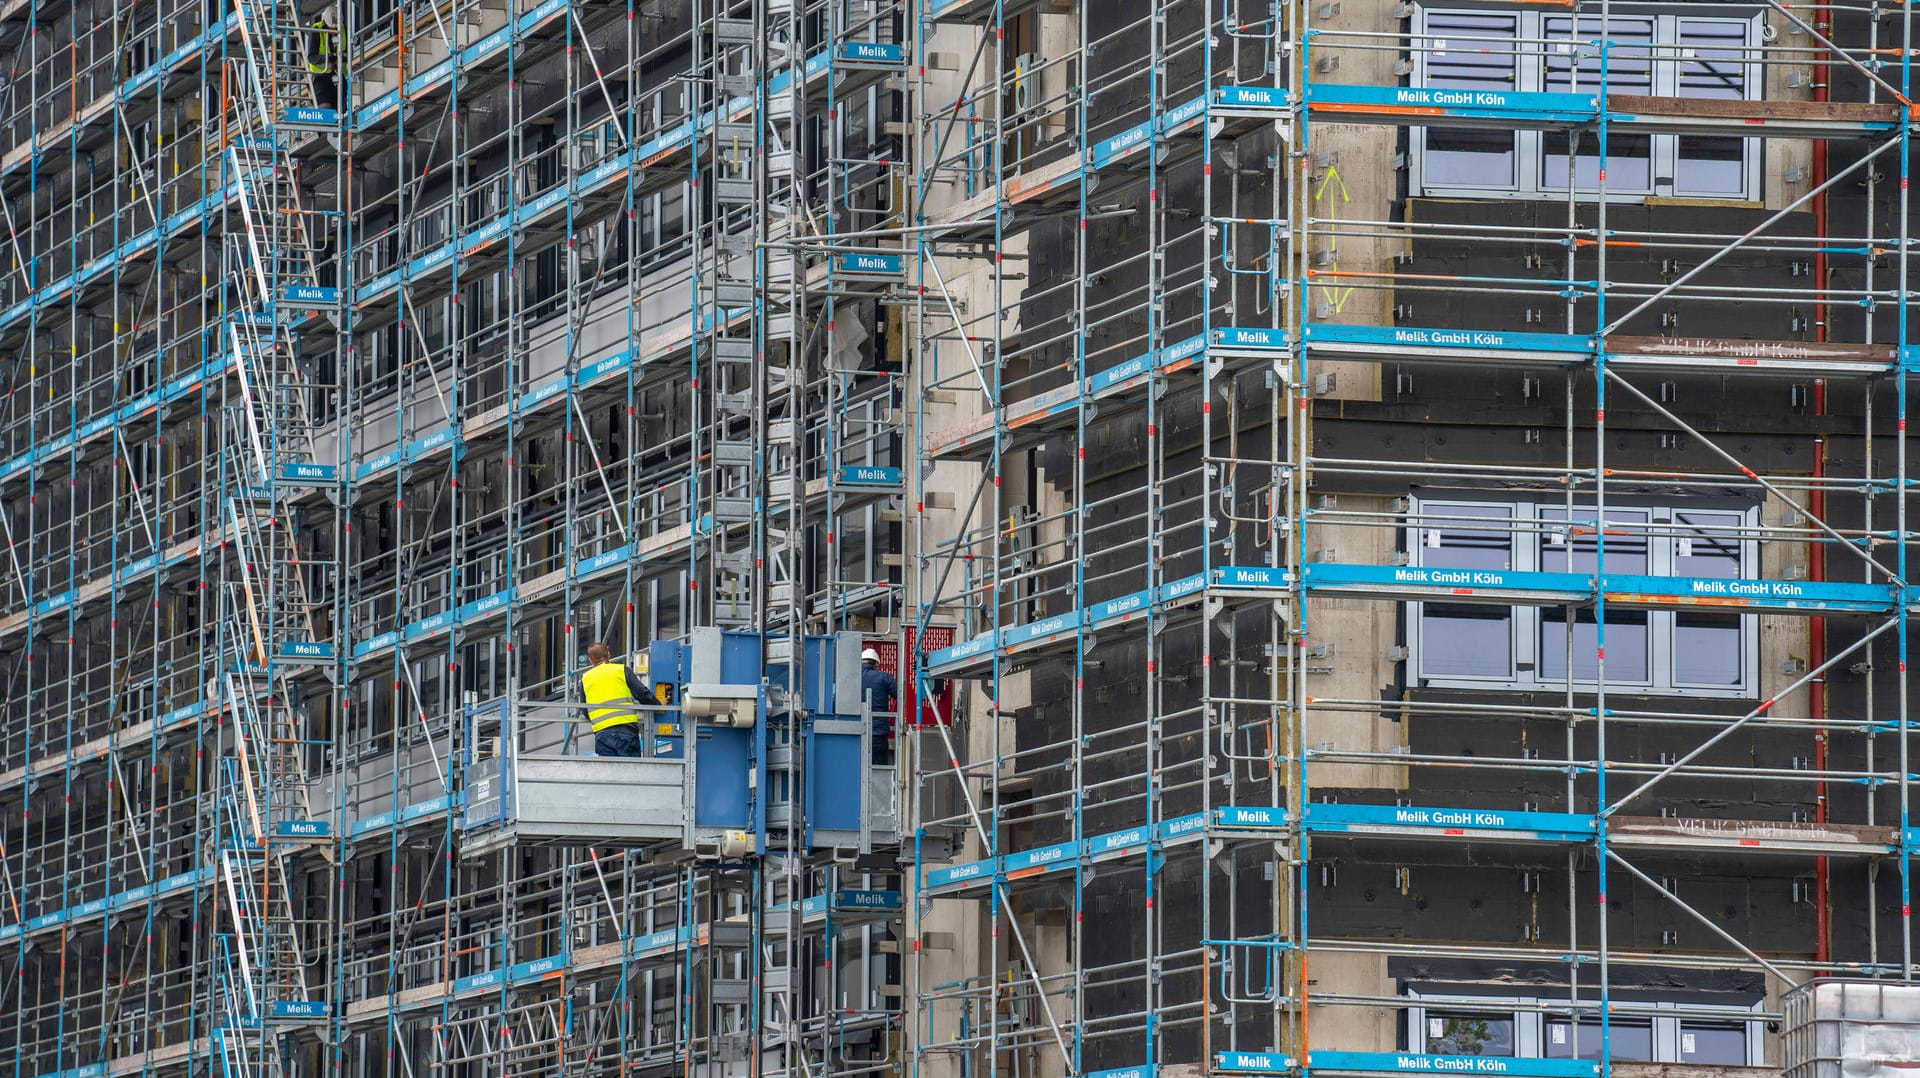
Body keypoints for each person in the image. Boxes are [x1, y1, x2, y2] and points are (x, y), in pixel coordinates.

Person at [582, 641, 652, 757]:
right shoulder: (621, 670)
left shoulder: (585, 679)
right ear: (608, 654)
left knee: (610, 773)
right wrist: (660, 707)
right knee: (631, 771)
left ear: (590, 660)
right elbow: (642, 693)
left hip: (603, 735)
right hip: (626, 732)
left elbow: (585, 710)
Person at [860, 647, 898, 764]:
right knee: (880, 768)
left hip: (857, 731)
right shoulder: (884, 677)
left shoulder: (853, 677)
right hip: (879, 734)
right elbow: (900, 696)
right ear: (876, 664)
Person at [307, 7, 338, 111]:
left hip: (336, 77)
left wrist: (339, 58)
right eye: (331, 28)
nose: (334, 31)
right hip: (320, 77)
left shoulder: (343, 30)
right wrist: (328, 59)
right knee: (325, 109)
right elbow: (311, 57)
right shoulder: (316, 30)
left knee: (339, 110)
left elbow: (348, 52)